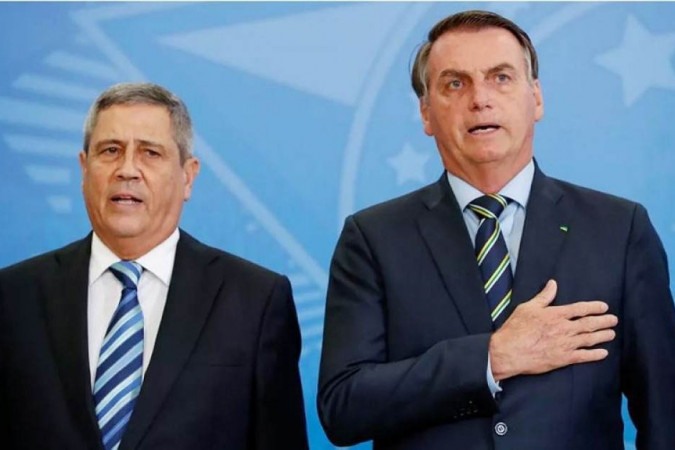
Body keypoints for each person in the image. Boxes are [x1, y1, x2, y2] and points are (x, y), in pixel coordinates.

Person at [317, 10, 675, 450]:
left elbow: (665, 413)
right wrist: (491, 358)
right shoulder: (373, 238)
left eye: (501, 78)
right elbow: (343, 407)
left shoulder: (619, 230)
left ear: (536, 98)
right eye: (455, 84)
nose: (480, 99)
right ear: (426, 113)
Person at [0, 82, 308, 450]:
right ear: (84, 169)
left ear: (188, 176)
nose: (127, 169)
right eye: (110, 150)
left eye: (150, 153)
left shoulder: (255, 301)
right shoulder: (13, 297)